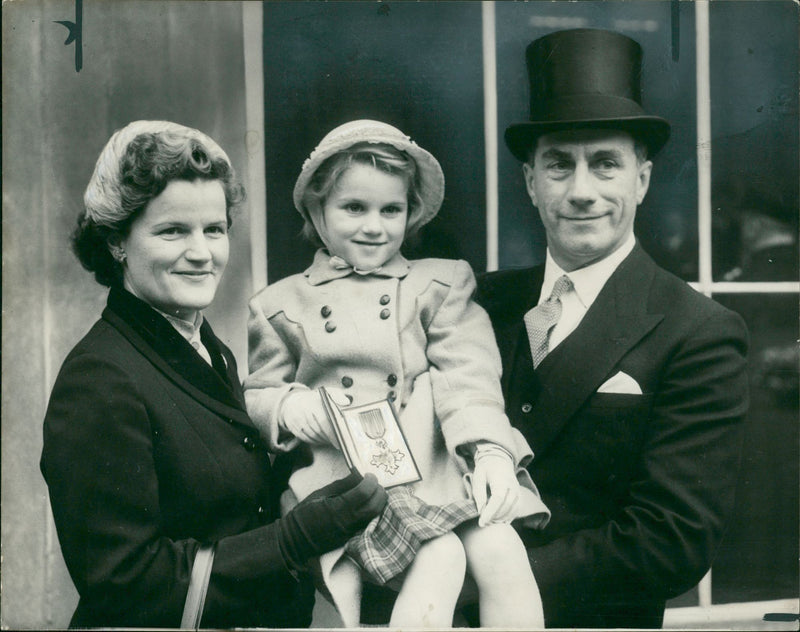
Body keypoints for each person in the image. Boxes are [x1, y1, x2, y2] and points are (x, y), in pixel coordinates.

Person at [40, 120, 387, 628]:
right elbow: (123, 585)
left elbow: (227, 501)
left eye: (214, 229)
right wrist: (295, 539)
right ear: (117, 241)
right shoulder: (98, 379)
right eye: (172, 230)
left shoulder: (207, 349)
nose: (202, 253)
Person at [473, 29, 750, 628]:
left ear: (641, 181)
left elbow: (667, 541)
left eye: (605, 165)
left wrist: (484, 584)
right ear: (529, 182)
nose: (581, 192)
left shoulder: (698, 331)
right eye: (558, 165)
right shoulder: (476, 303)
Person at [244, 119, 550, 628]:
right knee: (443, 555)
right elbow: (256, 395)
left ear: (411, 214)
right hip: (345, 485)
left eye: (392, 209)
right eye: (353, 208)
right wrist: (289, 406)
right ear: (317, 211)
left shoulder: (439, 283)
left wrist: (491, 451)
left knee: (501, 547)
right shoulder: (279, 304)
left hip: (436, 473)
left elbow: (468, 375)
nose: (374, 226)